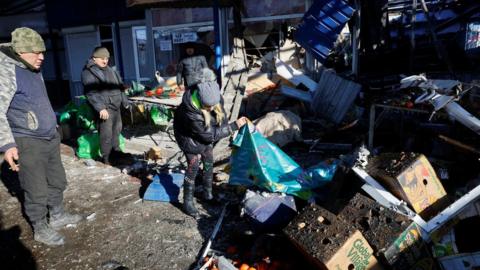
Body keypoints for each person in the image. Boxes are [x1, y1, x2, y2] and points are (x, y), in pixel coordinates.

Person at [0, 27, 82, 246]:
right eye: (36, 52)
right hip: (27, 141)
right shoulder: (6, 71)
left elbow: (38, 100)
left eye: (42, 51)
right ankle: (40, 227)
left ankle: (57, 215)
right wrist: (7, 145)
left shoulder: (33, 68)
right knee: (35, 188)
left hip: (49, 137)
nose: (42, 56)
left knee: (57, 180)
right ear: (20, 51)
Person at [174, 68, 247, 218]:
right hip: (188, 138)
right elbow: (209, 136)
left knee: (208, 161)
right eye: (208, 107)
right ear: (200, 101)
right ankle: (187, 202)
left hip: (205, 132)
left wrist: (225, 124)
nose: (212, 108)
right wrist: (233, 127)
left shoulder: (213, 96)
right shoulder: (190, 112)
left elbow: (222, 115)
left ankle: (207, 194)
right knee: (193, 165)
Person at [81, 47, 129, 165]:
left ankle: (116, 153)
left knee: (116, 131)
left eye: (107, 58)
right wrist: (100, 108)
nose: (105, 61)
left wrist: (125, 101)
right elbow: (91, 92)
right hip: (105, 108)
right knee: (106, 135)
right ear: (94, 58)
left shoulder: (111, 70)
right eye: (102, 58)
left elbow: (119, 86)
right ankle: (107, 159)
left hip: (116, 106)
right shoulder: (89, 71)